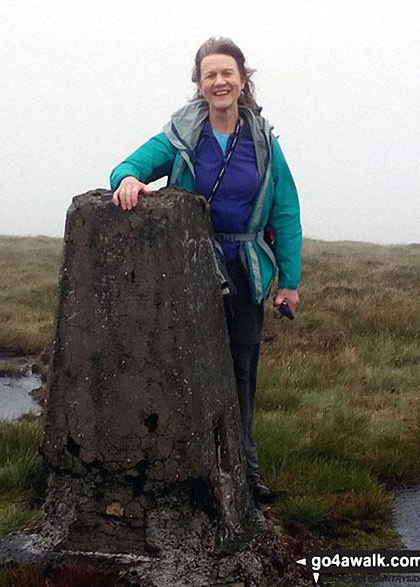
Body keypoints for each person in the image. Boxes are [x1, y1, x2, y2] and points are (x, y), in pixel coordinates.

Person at [109, 37, 302, 504]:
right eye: (209, 74)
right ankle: (182, 470)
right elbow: (127, 167)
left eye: (227, 73)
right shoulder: (180, 134)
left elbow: (286, 212)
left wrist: (289, 283)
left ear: (242, 80)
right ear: (199, 84)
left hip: (246, 272)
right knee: (183, 371)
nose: (219, 81)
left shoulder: (263, 141)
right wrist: (131, 180)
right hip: (189, 272)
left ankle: (246, 473)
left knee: (241, 373)